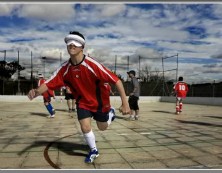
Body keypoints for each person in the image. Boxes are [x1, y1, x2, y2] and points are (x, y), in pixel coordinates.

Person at [27, 31, 130, 163]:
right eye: (69, 43)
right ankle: (94, 150)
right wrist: (36, 91)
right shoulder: (64, 68)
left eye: (76, 43)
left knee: (102, 127)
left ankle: (110, 114)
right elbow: (48, 83)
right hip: (82, 102)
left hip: (99, 102)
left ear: (82, 47)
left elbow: (117, 81)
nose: (71, 45)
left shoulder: (93, 65)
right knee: (85, 127)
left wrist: (125, 103)